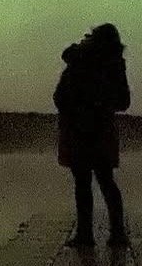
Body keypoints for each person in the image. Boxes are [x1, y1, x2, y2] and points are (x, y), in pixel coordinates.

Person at [53, 23, 130, 247]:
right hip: (96, 128)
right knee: (104, 181)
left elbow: (61, 97)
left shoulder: (80, 59)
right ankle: (115, 234)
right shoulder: (112, 63)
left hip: (82, 128)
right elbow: (123, 101)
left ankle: (89, 235)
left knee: (85, 183)